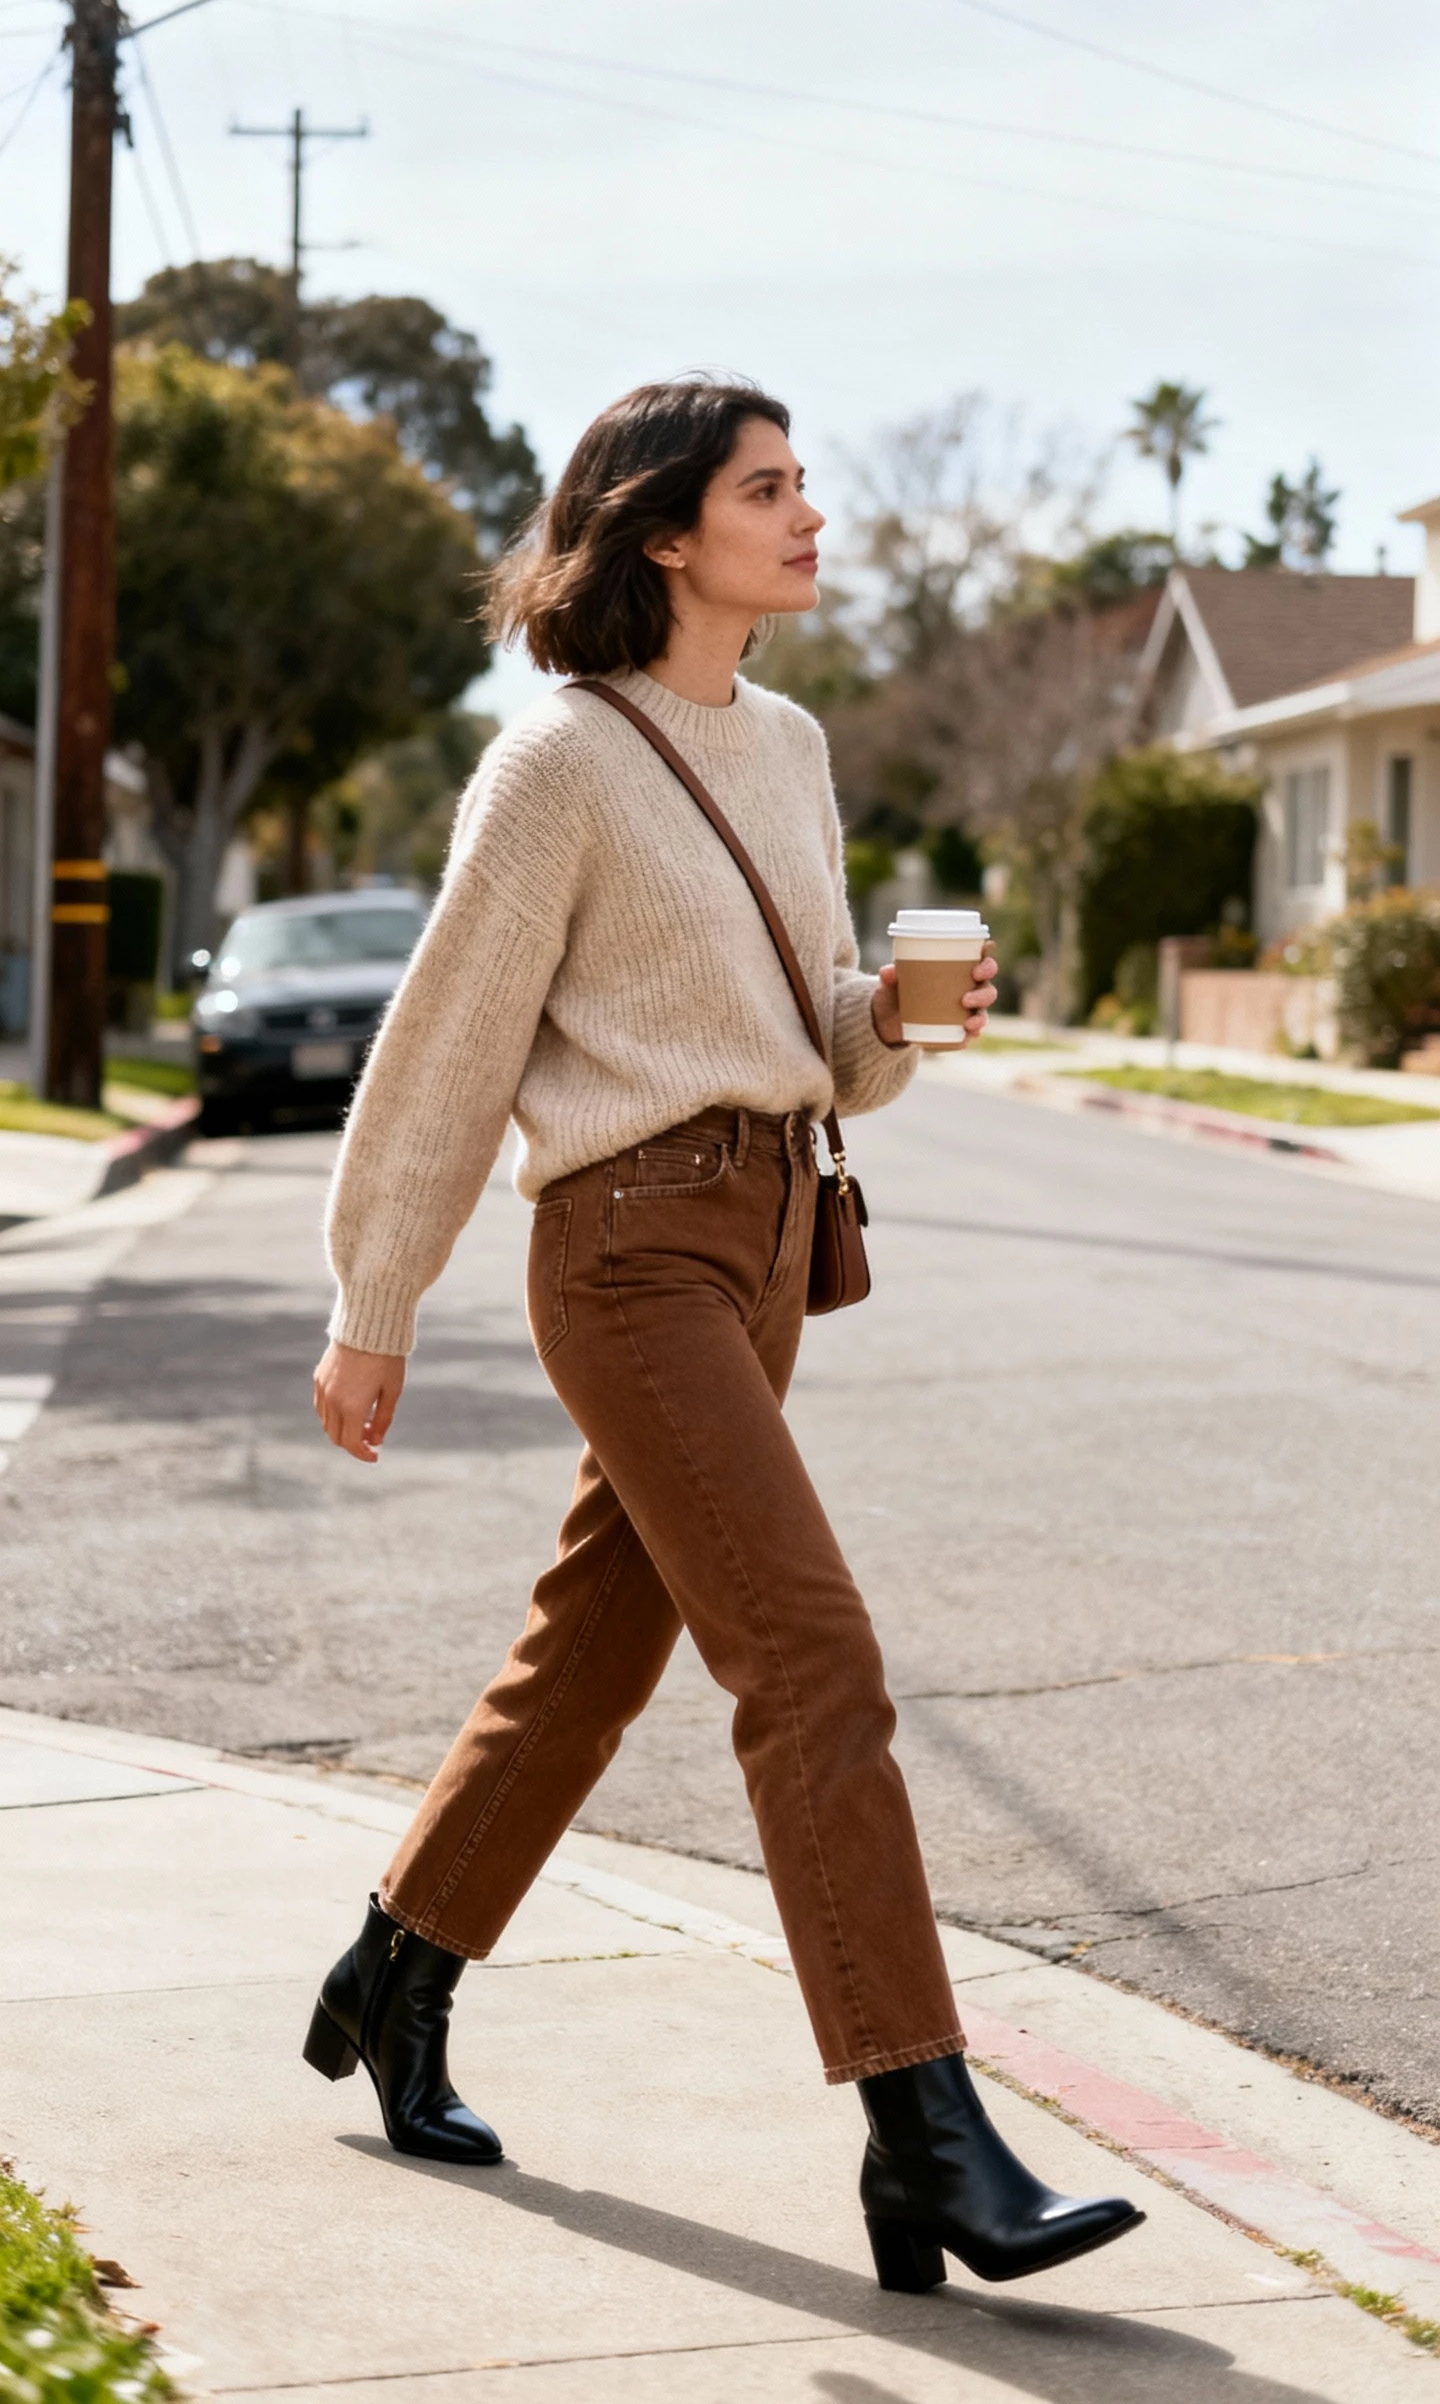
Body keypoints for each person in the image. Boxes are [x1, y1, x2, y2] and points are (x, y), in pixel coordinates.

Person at [307, 377, 1142, 2292]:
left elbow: (821, 1036)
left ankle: (396, 1969)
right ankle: (923, 2128)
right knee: (814, 1664)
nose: (811, 515)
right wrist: (377, 1302)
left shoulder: (791, 742)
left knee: (591, 1659)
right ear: (666, 533)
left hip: (774, 1234)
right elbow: (449, 1050)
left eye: (802, 484)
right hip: (625, 1251)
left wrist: (909, 1021)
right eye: (770, 490)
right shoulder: (557, 763)